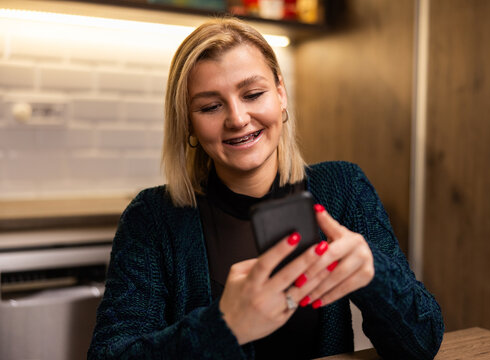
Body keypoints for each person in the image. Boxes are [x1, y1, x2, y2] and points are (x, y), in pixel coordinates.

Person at [88, 17, 444, 360]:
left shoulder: (343, 188)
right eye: (210, 106)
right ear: (188, 123)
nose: (238, 118)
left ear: (281, 94)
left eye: (253, 94)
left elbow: (422, 343)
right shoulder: (151, 217)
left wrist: (375, 272)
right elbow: (111, 354)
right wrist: (225, 326)